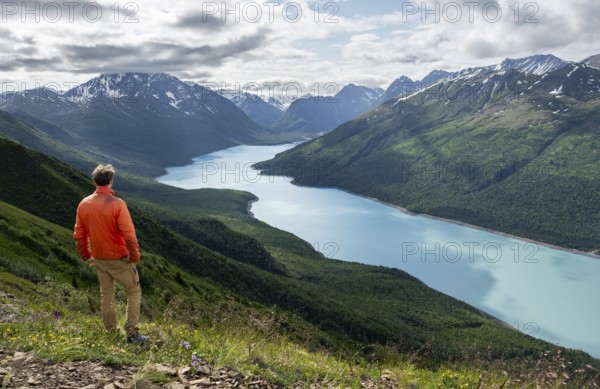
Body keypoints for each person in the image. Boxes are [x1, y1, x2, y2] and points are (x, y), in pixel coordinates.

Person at [73, 164, 148, 343]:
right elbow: (129, 235)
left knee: (106, 295)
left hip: (99, 258)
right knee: (133, 291)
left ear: (94, 180)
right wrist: (134, 256)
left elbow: (79, 235)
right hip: (119, 258)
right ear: (111, 181)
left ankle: (111, 333)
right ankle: (132, 333)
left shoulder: (84, 204)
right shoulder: (118, 204)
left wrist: (86, 255)